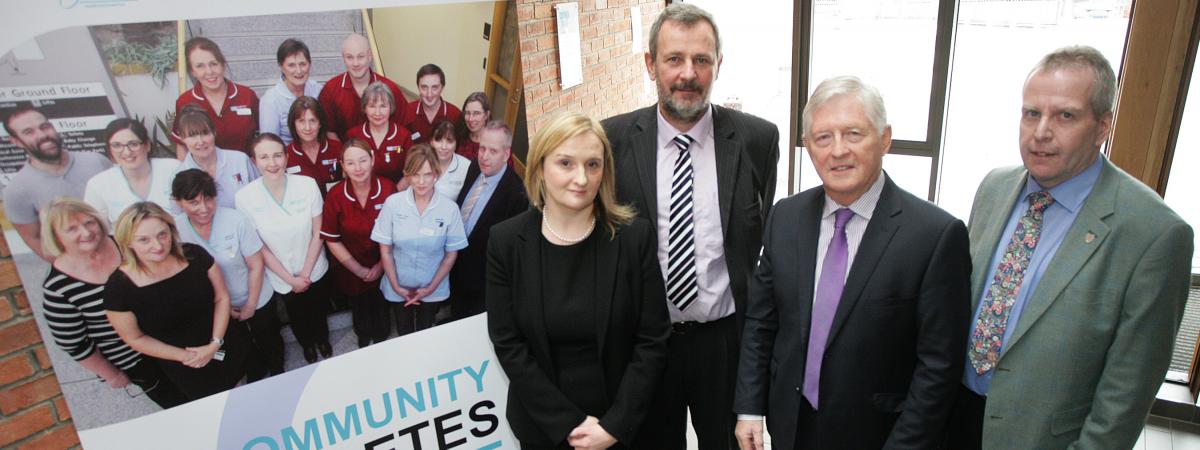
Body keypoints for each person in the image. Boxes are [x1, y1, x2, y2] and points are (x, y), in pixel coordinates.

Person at [946, 46, 1194, 450]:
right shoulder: (994, 186)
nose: (1041, 132)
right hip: (952, 418)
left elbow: (1127, 393)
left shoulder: (1155, 235)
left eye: (1065, 116)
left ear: (1102, 127)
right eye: (1031, 113)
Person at [733, 76, 970, 450]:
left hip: (876, 435)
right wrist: (749, 407)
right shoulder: (785, 218)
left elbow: (938, 368)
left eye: (854, 134)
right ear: (808, 147)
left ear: (885, 138)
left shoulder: (935, 236)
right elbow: (762, 322)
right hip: (790, 424)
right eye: (823, 138)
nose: (838, 150)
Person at [599, 4, 779, 449]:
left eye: (701, 60)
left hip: (723, 344)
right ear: (650, 65)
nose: (688, 73)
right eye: (674, 59)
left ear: (719, 65)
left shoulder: (758, 140)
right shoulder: (613, 139)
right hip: (645, 344)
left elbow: (758, 238)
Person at [486, 112, 670, 449]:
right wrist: (566, 424)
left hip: (627, 429)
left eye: (593, 165)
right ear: (540, 167)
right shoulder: (506, 243)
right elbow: (508, 343)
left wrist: (615, 426)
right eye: (566, 163)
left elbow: (652, 340)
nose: (581, 178)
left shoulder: (634, 238)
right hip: (544, 430)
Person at [104, 202, 262, 401]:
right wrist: (187, 357)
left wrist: (214, 344)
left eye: (162, 234)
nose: (158, 245)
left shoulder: (195, 255)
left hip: (227, 341)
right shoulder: (118, 289)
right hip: (186, 365)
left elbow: (221, 298)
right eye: (144, 240)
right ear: (127, 242)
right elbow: (135, 338)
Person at [40, 198, 187, 408]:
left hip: (175, 338)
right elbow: (73, 343)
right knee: (179, 404)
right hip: (136, 359)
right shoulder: (58, 288)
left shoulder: (124, 243)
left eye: (89, 222)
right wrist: (111, 375)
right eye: (72, 229)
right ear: (56, 237)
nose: (86, 232)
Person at [173, 169, 283, 376]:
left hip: (256, 296)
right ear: (179, 202)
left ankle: (278, 369)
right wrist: (224, 307)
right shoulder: (175, 231)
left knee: (269, 337)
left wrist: (251, 304)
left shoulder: (235, 220)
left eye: (208, 199)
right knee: (240, 345)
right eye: (194, 203)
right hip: (218, 306)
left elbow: (256, 265)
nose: (204, 208)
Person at [235, 134, 333, 364]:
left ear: (287, 157)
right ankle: (307, 344)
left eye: (277, 155)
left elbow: (319, 231)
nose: (272, 163)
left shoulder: (307, 184)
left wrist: (306, 273)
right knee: (296, 314)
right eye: (264, 157)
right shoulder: (245, 198)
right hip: (281, 274)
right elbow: (259, 246)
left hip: (314, 265)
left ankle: (322, 339)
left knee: (318, 308)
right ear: (254, 161)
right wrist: (291, 278)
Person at [372, 145, 466, 335]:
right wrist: (397, 286)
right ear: (407, 175)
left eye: (427, 174)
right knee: (403, 329)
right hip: (398, 285)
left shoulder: (450, 209)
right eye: (415, 174)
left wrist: (430, 289)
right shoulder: (393, 204)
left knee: (426, 330)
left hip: (433, 286)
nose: (421, 181)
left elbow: (450, 255)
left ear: (436, 175)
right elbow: (386, 250)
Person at [2, 105, 111, 261]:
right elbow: (34, 239)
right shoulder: (16, 191)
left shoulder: (96, 161)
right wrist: (74, 270)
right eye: (28, 132)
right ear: (16, 141)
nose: (42, 135)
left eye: (45, 127)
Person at [448, 121, 528, 321]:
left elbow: (510, 248)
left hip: (481, 273)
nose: (484, 156)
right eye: (482, 148)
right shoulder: (475, 166)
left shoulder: (516, 194)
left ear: (506, 154)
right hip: (457, 259)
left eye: (493, 151)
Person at [321, 139, 395, 347]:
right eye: (351, 163)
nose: (358, 168)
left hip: (385, 261)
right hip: (351, 266)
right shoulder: (335, 195)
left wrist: (381, 265)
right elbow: (332, 239)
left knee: (381, 306)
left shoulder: (388, 189)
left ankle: (382, 333)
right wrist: (359, 270)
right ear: (343, 166)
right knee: (359, 305)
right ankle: (362, 333)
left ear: (372, 160)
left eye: (363, 160)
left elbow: (397, 232)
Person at [173, 37, 259, 158]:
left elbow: (261, 138)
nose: (209, 71)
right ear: (192, 71)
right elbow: (182, 146)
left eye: (213, 64)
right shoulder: (185, 101)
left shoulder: (247, 96)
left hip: (245, 172)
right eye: (200, 66)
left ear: (222, 64)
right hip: (204, 173)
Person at [84, 118, 181, 224]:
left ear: (147, 145)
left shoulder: (173, 169)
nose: (127, 152)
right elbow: (96, 227)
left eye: (134, 144)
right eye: (117, 145)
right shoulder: (98, 184)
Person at [318, 33, 406, 140]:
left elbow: (404, 127)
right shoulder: (330, 90)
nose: (355, 63)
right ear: (343, 58)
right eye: (350, 57)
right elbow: (329, 131)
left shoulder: (390, 89)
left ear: (370, 56)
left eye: (360, 56)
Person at [174, 105, 259, 209]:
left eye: (205, 133)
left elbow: (260, 194)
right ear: (182, 138)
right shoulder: (179, 175)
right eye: (192, 136)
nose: (200, 142)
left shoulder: (240, 160)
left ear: (214, 132)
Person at [345, 81, 413, 187]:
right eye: (372, 106)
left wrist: (393, 193)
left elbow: (411, 171)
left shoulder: (404, 136)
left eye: (383, 106)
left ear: (391, 107)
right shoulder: (353, 135)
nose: (377, 112)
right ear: (364, 108)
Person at [259, 39, 323, 145]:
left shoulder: (318, 90)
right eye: (291, 65)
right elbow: (269, 143)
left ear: (310, 64)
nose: (298, 71)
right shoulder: (270, 100)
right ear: (281, 67)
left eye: (303, 64)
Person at [285, 96, 344, 196]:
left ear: (320, 123)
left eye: (312, 121)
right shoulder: (286, 155)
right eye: (301, 121)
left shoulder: (337, 148)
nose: (307, 128)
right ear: (293, 124)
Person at [400, 64, 461, 145]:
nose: (429, 94)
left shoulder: (455, 115)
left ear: (442, 88)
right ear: (418, 87)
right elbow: (399, 147)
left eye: (434, 87)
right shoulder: (407, 112)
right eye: (424, 87)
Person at [430, 121, 470, 199]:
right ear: (431, 142)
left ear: (456, 144)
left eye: (449, 141)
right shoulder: (421, 162)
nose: (444, 147)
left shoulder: (466, 167)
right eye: (439, 140)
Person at [456, 92, 490, 161]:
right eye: (467, 113)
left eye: (476, 113)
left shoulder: (497, 141)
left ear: (486, 115)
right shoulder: (460, 135)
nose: (470, 119)